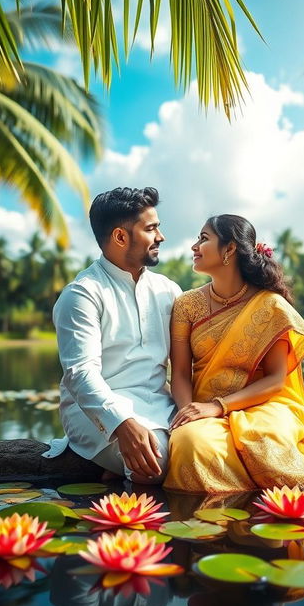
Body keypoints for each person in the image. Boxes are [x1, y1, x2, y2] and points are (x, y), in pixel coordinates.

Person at [164, 214, 304, 493]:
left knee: (264, 439)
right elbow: (179, 373)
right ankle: (214, 522)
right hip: (202, 407)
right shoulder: (186, 305)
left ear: (229, 249)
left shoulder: (270, 306)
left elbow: (276, 380)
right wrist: (187, 412)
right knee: (191, 442)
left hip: (265, 407)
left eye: (203, 239)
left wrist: (219, 406)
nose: (194, 246)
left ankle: (259, 514)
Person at [43, 187, 181, 483]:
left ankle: (114, 475)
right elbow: (81, 375)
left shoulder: (168, 291)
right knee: (157, 461)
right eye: (151, 228)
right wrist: (122, 423)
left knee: (211, 447)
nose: (161, 237)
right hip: (97, 412)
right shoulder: (82, 294)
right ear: (120, 237)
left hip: (162, 405)